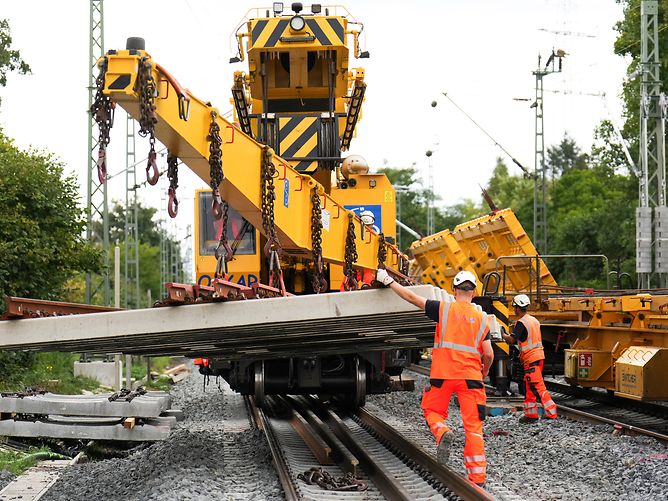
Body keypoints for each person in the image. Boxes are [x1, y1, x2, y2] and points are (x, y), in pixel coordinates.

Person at [376, 268, 494, 486]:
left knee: (432, 411)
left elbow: (410, 297)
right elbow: (488, 354)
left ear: (454, 289)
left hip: (443, 375)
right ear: (475, 291)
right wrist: (483, 371)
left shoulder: (444, 309)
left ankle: (442, 432)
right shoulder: (482, 319)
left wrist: (388, 280)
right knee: (474, 427)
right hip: (471, 378)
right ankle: (477, 478)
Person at [502, 294, 557, 422]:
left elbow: (512, 340)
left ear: (517, 308)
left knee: (538, 386)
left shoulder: (521, 323)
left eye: (514, 307)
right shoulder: (534, 320)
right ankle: (531, 414)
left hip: (531, 358)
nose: (514, 309)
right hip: (538, 356)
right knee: (529, 385)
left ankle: (551, 412)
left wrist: (503, 334)